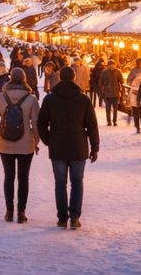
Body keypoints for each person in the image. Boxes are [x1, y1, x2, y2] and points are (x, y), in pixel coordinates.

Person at [37, 66, 99, 229]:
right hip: (78, 147)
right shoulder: (83, 99)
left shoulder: (50, 99)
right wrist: (95, 147)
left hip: (57, 147)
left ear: (59, 78)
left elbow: (41, 123)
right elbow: (92, 125)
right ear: (74, 78)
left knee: (60, 183)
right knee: (77, 182)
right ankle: (74, 217)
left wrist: (48, 140)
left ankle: (62, 218)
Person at [0, 67, 40, 223]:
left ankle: (9, 211)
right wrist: (35, 141)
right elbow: (36, 124)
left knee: (8, 177)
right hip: (25, 144)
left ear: (10, 78)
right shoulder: (31, 99)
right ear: (24, 79)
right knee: (24, 178)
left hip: (5, 143)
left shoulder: (1, 97)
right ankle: (21, 212)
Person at [98, 59, 124, 126]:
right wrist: (103, 89)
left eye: (113, 65)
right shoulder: (104, 72)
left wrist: (120, 89)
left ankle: (114, 121)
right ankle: (109, 121)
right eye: (111, 65)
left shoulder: (118, 72)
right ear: (108, 66)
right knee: (108, 109)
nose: (112, 66)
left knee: (115, 109)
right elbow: (100, 82)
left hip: (115, 93)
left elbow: (121, 81)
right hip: (107, 94)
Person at [126, 58, 141, 131]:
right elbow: (129, 80)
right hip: (134, 92)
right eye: (140, 63)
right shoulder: (133, 71)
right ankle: (137, 126)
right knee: (135, 110)